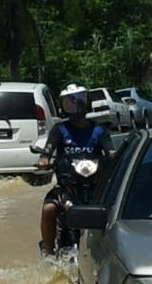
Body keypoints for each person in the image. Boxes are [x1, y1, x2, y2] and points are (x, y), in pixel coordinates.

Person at [38, 84, 112, 256]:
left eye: (78, 100)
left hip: (95, 187)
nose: (75, 105)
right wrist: (44, 160)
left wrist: (115, 159)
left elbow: (111, 151)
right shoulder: (59, 130)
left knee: (113, 210)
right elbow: (48, 149)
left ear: (86, 101)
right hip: (67, 187)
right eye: (69, 102)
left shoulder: (99, 130)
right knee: (48, 209)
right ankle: (48, 252)